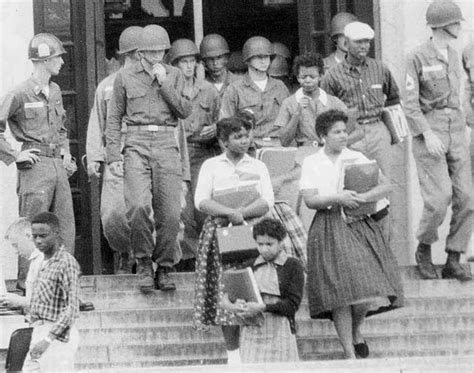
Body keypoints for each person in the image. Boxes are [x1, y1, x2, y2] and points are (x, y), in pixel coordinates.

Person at [300, 109, 403, 359]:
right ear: (323, 135)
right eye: (337, 132)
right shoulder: (312, 162)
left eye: (345, 131)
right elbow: (311, 200)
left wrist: (363, 197)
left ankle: (357, 330)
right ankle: (349, 351)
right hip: (328, 225)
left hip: (359, 223)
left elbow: (386, 184)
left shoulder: (357, 156)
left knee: (367, 286)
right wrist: (338, 198)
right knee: (340, 292)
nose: (344, 136)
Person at [106, 24, 192, 292]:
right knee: (138, 206)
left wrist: (164, 81)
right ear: (140, 52)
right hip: (136, 142)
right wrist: (112, 155)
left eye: (161, 52)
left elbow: (184, 110)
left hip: (167, 142)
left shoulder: (175, 75)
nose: (157, 57)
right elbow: (113, 117)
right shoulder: (124, 76)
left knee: (170, 212)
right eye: (151, 52)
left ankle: (164, 267)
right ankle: (143, 262)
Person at [193, 116, 274, 364]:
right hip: (221, 232)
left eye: (247, 135)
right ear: (222, 141)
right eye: (238, 137)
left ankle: (258, 349)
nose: (244, 140)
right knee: (226, 287)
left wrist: (242, 214)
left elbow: (266, 200)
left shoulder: (258, 166)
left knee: (258, 286)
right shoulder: (211, 166)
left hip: (252, 230)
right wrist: (229, 213)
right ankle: (233, 354)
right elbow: (201, 200)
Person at [404, 0, 473, 281]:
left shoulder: (455, 55)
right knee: (439, 197)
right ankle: (424, 248)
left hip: (455, 129)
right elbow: (410, 104)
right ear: (444, 25)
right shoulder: (417, 56)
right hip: (429, 131)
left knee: (468, 197)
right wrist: (427, 133)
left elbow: (460, 95)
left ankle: (454, 257)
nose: (459, 27)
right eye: (456, 22)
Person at [0, 33, 76, 274]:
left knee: (64, 227)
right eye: (57, 58)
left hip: (57, 166)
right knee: (33, 228)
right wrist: (13, 155)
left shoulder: (55, 90)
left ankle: (63, 284)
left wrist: (65, 153)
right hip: (34, 167)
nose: (62, 63)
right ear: (43, 61)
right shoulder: (20, 93)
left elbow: (61, 127)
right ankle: (28, 287)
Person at [86, 26, 142, 274]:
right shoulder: (107, 87)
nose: (136, 60)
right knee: (112, 214)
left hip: (146, 154)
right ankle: (123, 251)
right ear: (123, 56)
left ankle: (143, 259)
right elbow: (97, 122)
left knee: (145, 212)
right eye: (132, 55)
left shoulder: (156, 85)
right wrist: (94, 158)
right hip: (116, 158)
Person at [320, 22, 401, 179]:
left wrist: (393, 132)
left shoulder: (380, 69)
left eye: (367, 41)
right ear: (346, 43)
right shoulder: (332, 75)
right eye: (359, 42)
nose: (364, 46)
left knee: (385, 181)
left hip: (378, 130)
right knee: (354, 182)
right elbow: (325, 110)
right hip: (350, 133)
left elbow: (394, 98)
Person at [168, 38, 220, 269]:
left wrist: (216, 129)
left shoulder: (208, 90)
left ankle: (207, 260)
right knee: (182, 210)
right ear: (174, 65)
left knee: (203, 207)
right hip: (178, 152)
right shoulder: (168, 90)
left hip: (202, 153)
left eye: (192, 62)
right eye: (183, 62)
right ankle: (188, 262)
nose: (189, 67)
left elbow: (223, 120)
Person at [232, 218, 304, 363]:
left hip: (280, 332)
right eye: (260, 244)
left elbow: (292, 305)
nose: (264, 249)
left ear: (281, 242)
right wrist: (236, 306)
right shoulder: (249, 266)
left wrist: (263, 307)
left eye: (270, 244)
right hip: (252, 333)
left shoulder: (292, 265)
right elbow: (228, 298)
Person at [20, 212, 80, 372]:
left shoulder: (66, 262)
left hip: (57, 337)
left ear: (56, 233)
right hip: (38, 331)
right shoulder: (40, 262)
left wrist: (48, 339)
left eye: (43, 236)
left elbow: (72, 308)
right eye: (35, 236)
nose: (38, 241)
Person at [220, 36, 289, 148]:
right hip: (248, 147)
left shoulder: (280, 87)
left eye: (267, 57)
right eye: (258, 57)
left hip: (277, 145)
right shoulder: (234, 89)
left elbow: (289, 122)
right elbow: (225, 126)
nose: (264, 61)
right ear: (248, 60)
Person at [276, 52, 348, 148]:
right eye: (303, 77)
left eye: (312, 77)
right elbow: (284, 141)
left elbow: (351, 129)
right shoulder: (289, 103)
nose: (308, 80)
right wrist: (297, 113)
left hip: (330, 152)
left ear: (321, 76)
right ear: (297, 77)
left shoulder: (334, 103)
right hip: (303, 153)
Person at [200, 34, 240, 99]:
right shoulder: (200, 88)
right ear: (204, 62)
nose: (215, 63)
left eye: (219, 58)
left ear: (226, 58)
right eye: (210, 59)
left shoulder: (241, 84)